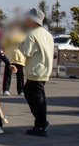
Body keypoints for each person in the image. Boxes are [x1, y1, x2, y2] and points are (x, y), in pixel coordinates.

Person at [21, 7, 54, 136]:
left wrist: (19, 44)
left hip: (35, 71)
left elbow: (27, 52)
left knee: (36, 98)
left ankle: (41, 125)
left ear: (31, 20)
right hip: (45, 70)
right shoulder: (47, 34)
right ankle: (41, 123)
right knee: (36, 96)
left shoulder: (31, 34)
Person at [1, 22, 26, 96]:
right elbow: (3, 45)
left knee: (20, 76)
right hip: (10, 58)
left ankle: (21, 90)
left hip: (20, 58)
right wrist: (4, 55)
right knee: (7, 75)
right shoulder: (8, 35)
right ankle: (6, 89)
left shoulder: (23, 36)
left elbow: (26, 46)